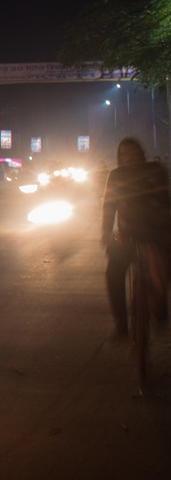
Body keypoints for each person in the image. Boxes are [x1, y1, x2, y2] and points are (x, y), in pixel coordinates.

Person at [100, 136, 171, 340]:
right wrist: (105, 232)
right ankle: (121, 322)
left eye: (133, 152)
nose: (129, 157)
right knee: (113, 273)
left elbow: (165, 201)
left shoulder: (155, 170)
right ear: (119, 158)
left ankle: (158, 302)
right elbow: (109, 206)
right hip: (127, 235)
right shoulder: (115, 175)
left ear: (141, 153)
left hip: (156, 233)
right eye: (124, 154)